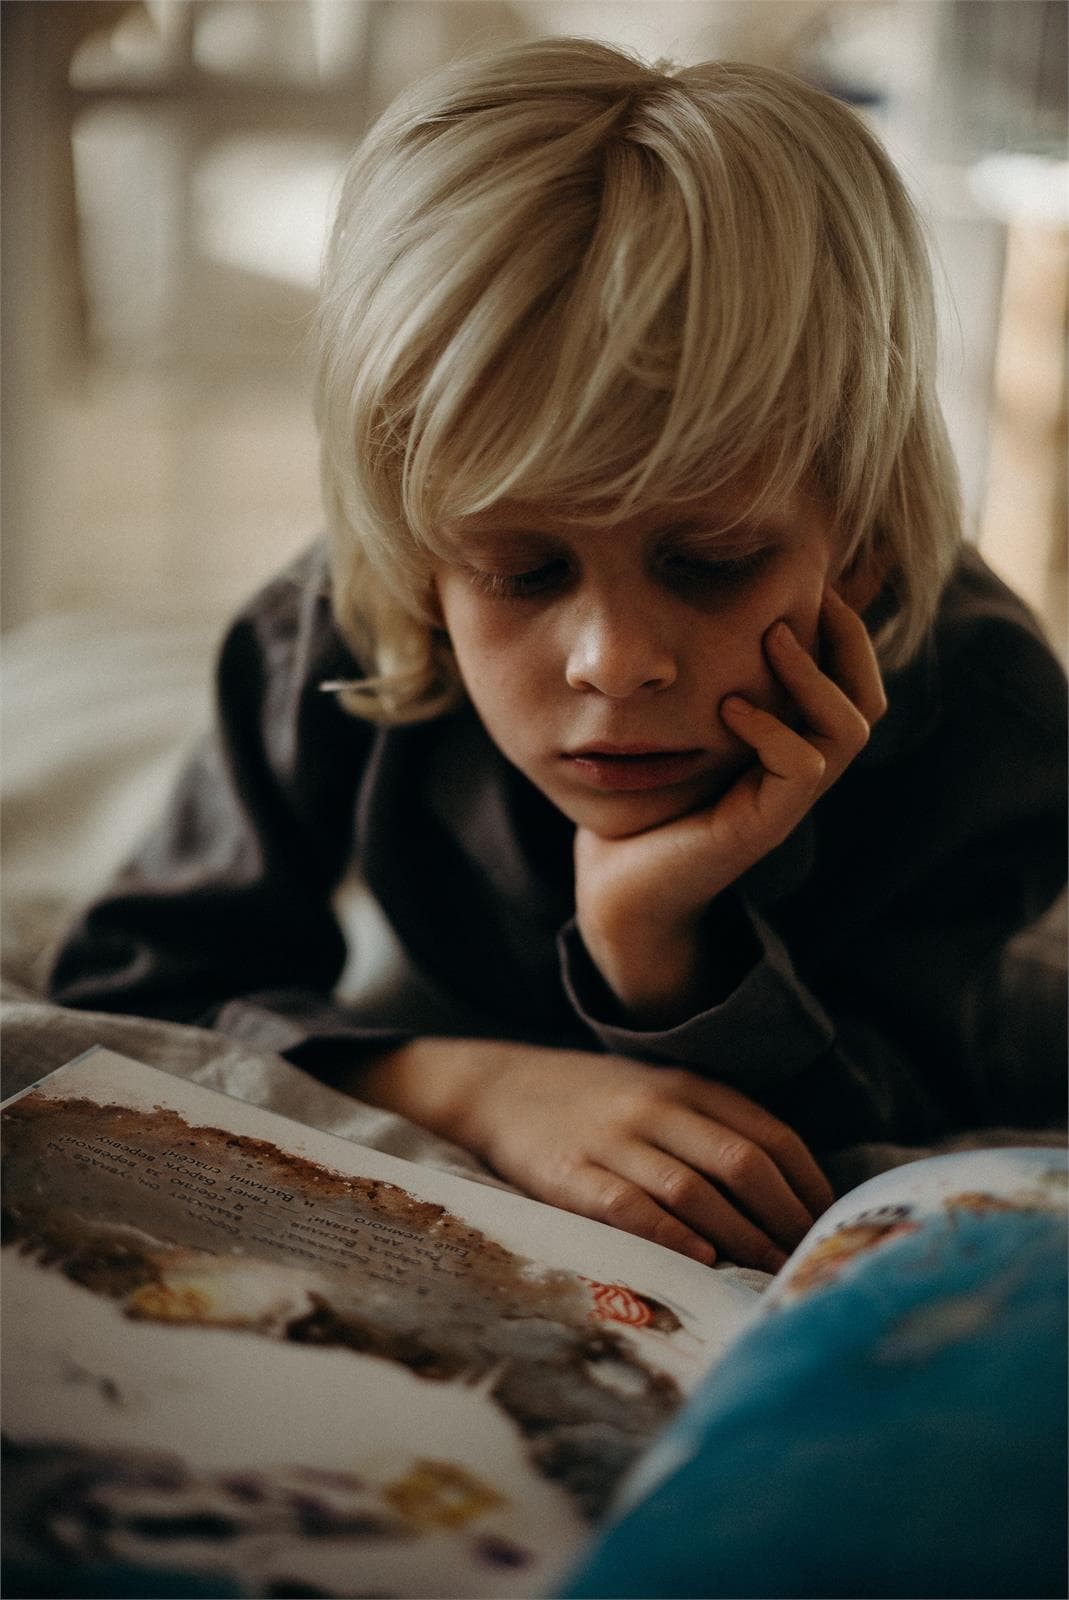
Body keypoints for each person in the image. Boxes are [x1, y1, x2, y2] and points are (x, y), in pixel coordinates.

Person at [49, 39, 1067, 1274]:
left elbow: (873, 1135)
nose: (613, 661)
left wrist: (655, 948)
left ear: (852, 536)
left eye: (711, 558)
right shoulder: (329, 627)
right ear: (418, 555)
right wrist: (463, 1085)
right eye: (520, 572)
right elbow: (129, 986)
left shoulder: (988, 714)